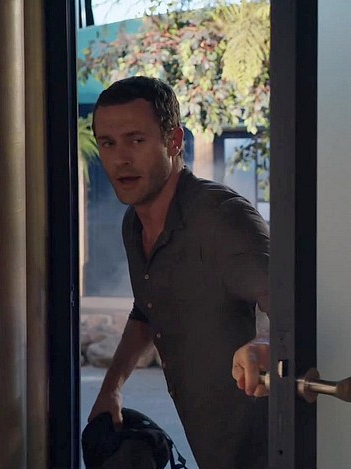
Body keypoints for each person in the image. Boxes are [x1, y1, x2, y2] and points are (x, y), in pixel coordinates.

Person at [87, 76, 271, 469]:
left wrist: (264, 342)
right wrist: (111, 388)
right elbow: (147, 309)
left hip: (270, 450)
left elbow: (291, 302)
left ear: (174, 141)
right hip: (212, 448)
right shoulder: (134, 225)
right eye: (108, 143)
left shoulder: (223, 219)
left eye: (136, 140)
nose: (120, 159)